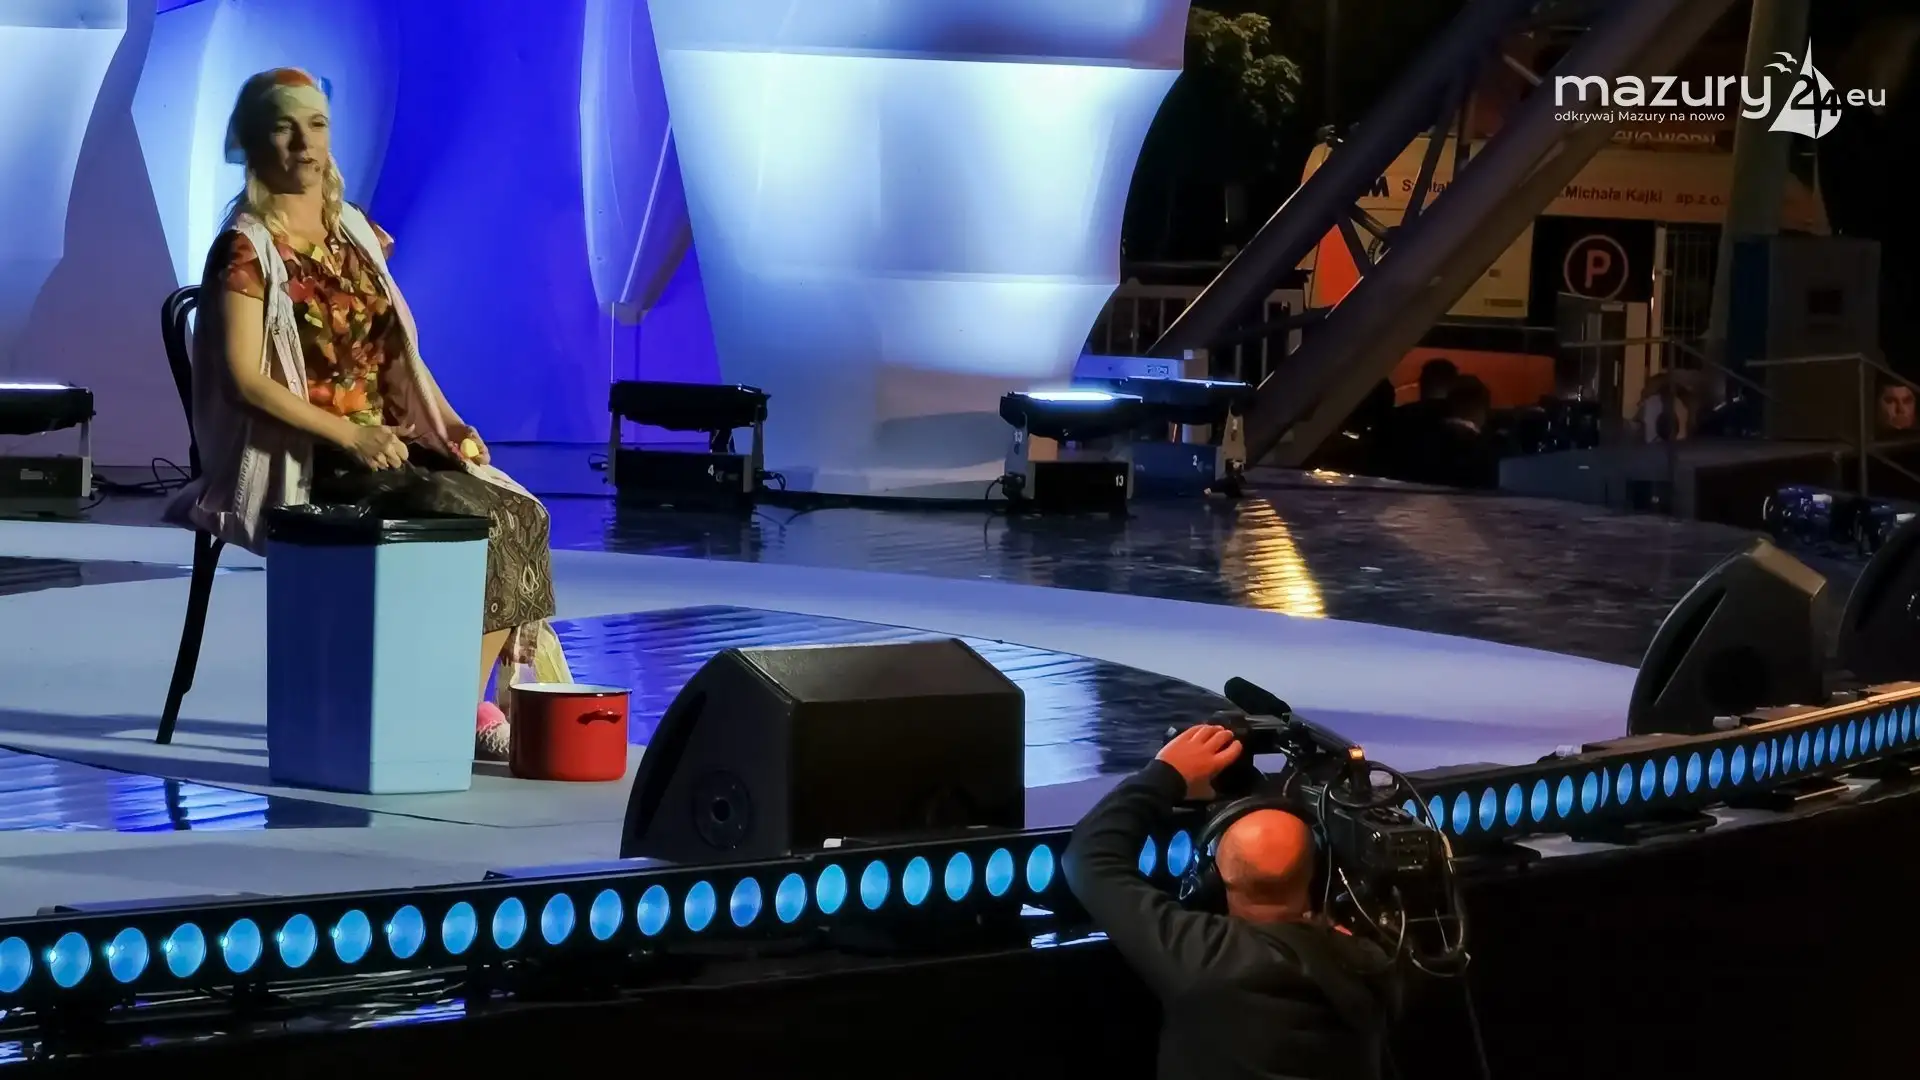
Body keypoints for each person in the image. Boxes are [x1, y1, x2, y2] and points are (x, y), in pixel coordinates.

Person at [165, 69, 569, 759]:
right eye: (284, 127)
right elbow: (242, 381)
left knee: (520, 513)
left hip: (385, 445)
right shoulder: (247, 249)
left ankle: (458, 703)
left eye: (316, 125)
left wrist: (448, 422)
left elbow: (395, 352)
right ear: (254, 143)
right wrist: (349, 437)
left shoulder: (352, 231)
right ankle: (448, 718)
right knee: (474, 517)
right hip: (310, 458)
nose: (304, 143)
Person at [1065, 725, 1402, 1080]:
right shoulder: (1374, 965)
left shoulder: (1204, 958)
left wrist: (1166, 773)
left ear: (1213, 878)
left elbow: (1089, 858)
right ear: (1316, 872)